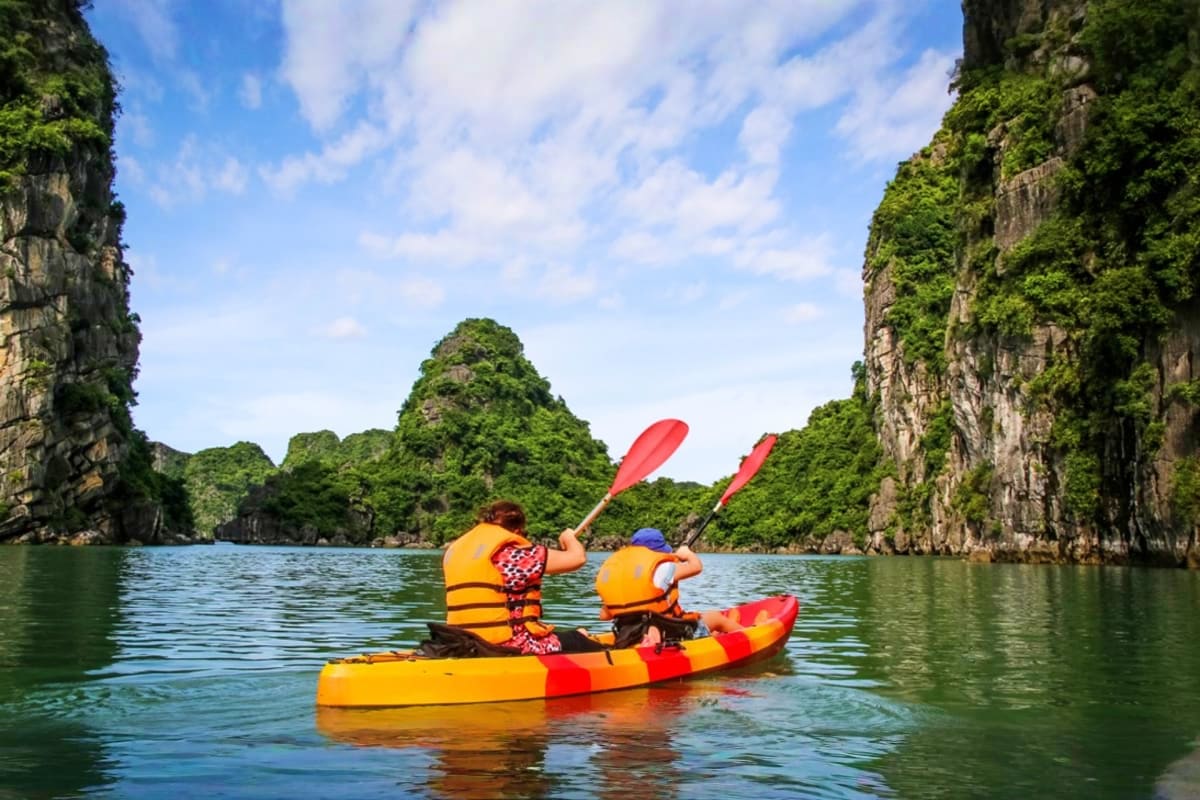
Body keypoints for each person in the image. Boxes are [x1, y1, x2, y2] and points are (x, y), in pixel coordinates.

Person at [441, 499, 606, 655]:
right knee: (580, 638)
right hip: (510, 645)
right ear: (517, 531)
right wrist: (569, 538)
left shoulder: (459, 551)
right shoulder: (513, 554)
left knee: (575, 636)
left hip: (462, 643)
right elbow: (577, 558)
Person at [594, 527, 743, 648]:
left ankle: (715, 636)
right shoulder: (663, 568)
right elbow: (696, 567)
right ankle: (747, 634)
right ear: (658, 551)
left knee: (704, 622)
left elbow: (604, 616)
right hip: (670, 632)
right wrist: (687, 554)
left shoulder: (622, 575)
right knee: (715, 617)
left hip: (629, 633)